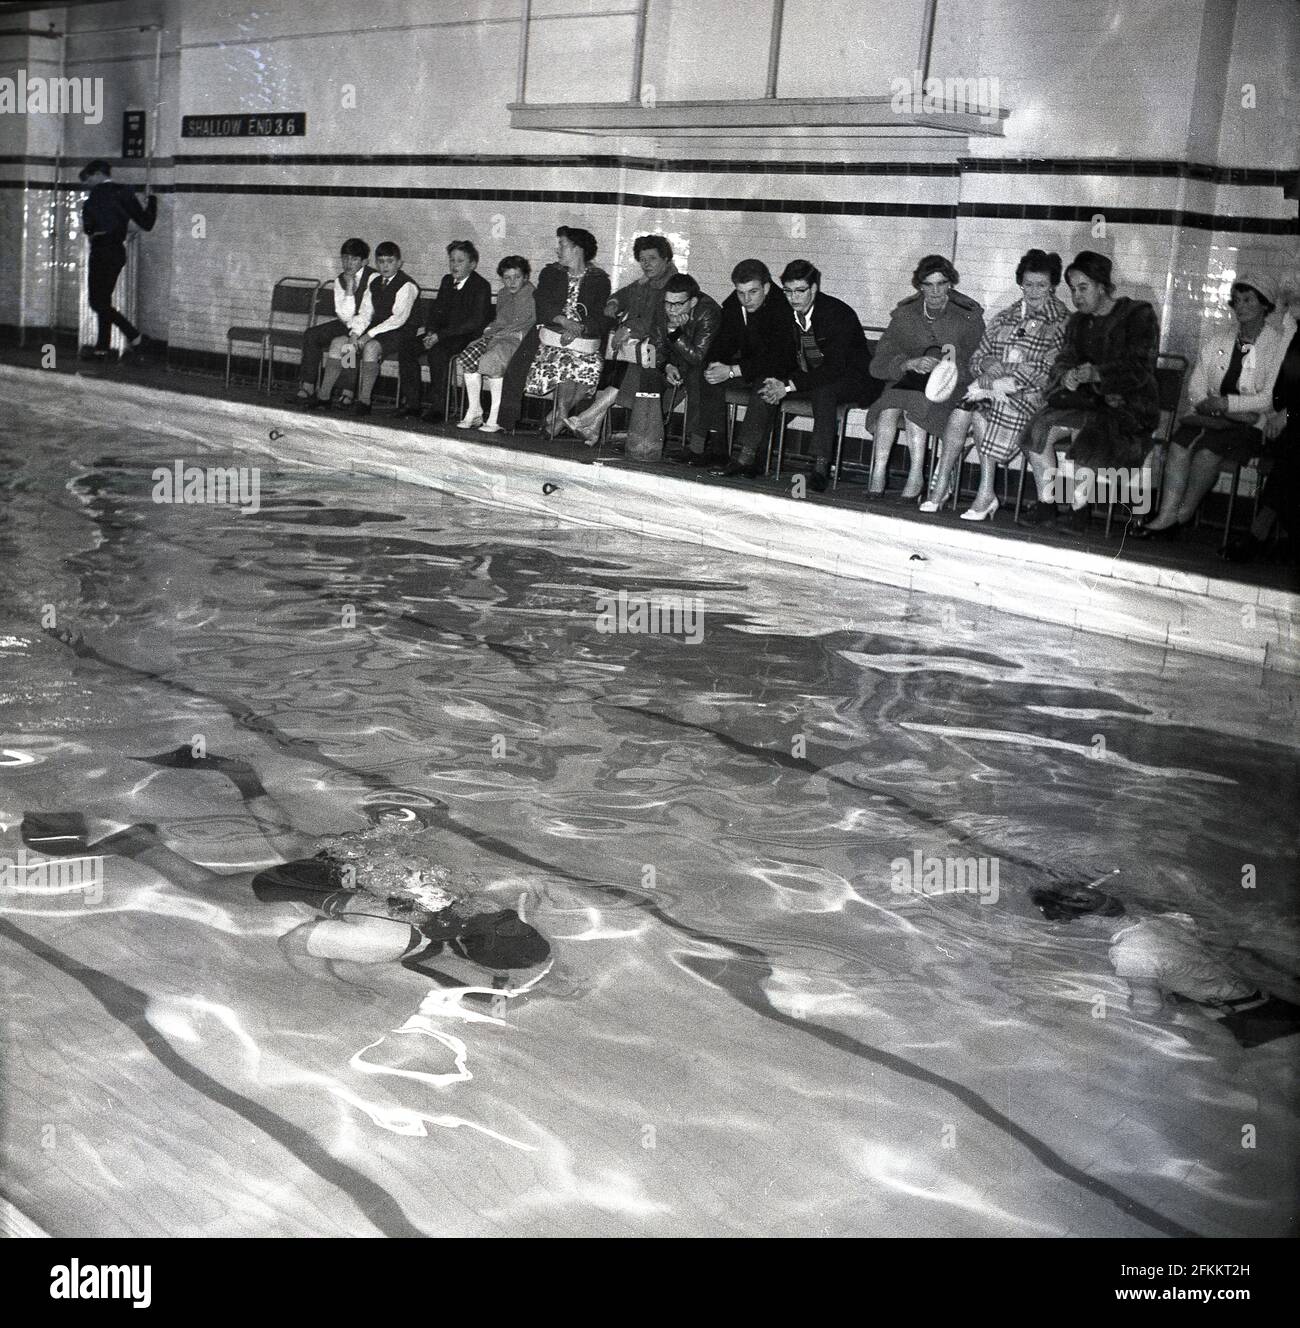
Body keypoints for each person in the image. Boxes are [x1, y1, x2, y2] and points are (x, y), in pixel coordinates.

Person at [1029, 883, 1300, 1048]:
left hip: (1248, 1018)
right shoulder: (1167, 919)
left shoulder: (1130, 954)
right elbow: (1205, 954)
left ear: (1089, 921)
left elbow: (1150, 1008)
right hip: (1261, 996)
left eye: (1067, 922)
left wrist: (1116, 1016)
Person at [1135, 274, 1288, 541]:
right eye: (1237, 300)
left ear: (1265, 305)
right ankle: (1166, 514)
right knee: (1179, 445)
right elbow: (1197, 385)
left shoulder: (1276, 345)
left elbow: (1269, 398)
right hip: (1212, 418)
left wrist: (1226, 404)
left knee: (1207, 453)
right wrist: (1212, 406)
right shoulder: (1219, 340)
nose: (1240, 306)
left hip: (1251, 424)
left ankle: (1182, 515)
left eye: (1248, 300)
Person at [921, 250, 1069, 520]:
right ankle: (965, 488)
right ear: (1020, 283)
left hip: (1034, 397)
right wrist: (986, 365)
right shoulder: (1006, 315)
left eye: (1041, 285)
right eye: (1028, 284)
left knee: (975, 410)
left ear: (1053, 286)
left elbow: (1048, 370)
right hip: (993, 392)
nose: (1033, 291)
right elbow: (977, 358)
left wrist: (1000, 376)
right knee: (969, 411)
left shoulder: (1061, 322)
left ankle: (959, 490)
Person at [1020, 251, 1160, 530]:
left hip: (1127, 405)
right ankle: (1047, 505)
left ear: (1102, 286)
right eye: (1073, 290)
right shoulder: (1078, 322)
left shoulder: (1137, 315)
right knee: (1036, 432)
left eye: (1083, 288)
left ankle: (1079, 511)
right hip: (1084, 401)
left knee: (1088, 432)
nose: (1077, 296)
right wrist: (1067, 375)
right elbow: (1062, 361)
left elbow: (1141, 368)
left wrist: (1098, 374)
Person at [866, 255, 985, 499]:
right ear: (919, 286)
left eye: (941, 283)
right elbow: (880, 360)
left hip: (949, 387)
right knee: (888, 408)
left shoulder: (967, 316)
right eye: (928, 285)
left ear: (951, 284)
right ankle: (878, 472)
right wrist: (908, 363)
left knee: (915, 408)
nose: (935, 291)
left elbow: (978, 362)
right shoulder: (905, 314)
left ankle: (916, 474)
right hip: (908, 380)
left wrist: (946, 369)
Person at [752, 260, 876, 492]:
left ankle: (819, 469)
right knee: (766, 382)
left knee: (824, 390)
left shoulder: (837, 313)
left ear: (814, 289)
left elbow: (834, 368)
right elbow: (781, 355)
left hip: (852, 378)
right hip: (812, 374)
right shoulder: (785, 313)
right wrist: (777, 382)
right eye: (788, 291)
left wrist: (788, 387)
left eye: (800, 291)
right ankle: (752, 458)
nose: (793, 298)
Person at [559, 235, 678, 444]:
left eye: (652, 259)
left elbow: (657, 322)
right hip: (638, 350)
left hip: (661, 356)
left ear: (666, 259)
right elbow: (623, 294)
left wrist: (629, 330)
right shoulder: (645, 282)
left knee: (622, 371)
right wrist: (614, 303)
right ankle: (593, 429)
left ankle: (584, 419)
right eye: (642, 259)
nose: (646, 264)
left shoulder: (673, 287)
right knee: (613, 368)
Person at [499, 227, 610, 434]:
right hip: (548, 335)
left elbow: (601, 315)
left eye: (562, 244)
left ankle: (557, 418)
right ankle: (558, 420)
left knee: (588, 366)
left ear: (578, 249)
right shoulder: (551, 273)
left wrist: (581, 327)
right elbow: (541, 302)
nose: (557, 249)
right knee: (566, 362)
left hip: (582, 339)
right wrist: (564, 322)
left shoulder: (600, 279)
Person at [1225, 291, 1300, 563]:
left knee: (1292, 456)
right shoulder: (1292, 331)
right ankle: (1284, 537)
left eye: (1293, 304)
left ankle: (1258, 533)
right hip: (1285, 426)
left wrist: (1286, 416)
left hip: (1291, 426)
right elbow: (1277, 385)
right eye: (1289, 304)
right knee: (1291, 456)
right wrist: (1275, 415)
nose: (1289, 310)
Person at [705, 259, 797, 479]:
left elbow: (777, 359)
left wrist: (732, 371)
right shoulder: (734, 304)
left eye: (753, 292)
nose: (746, 300)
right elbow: (722, 342)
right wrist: (715, 364)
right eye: (741, 293)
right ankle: (716, 447)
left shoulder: (783, 307)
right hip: (748, 367)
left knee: (766, 382)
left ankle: (745, 457)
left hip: (784, 373)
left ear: (766, 287)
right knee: (708, 373)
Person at [315, 240, 418, 417]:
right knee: (341, 344)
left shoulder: (407, 285)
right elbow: (364, 312)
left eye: (390, 261)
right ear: (376, 263)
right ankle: (325, 397)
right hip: (377, 329)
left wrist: (368, 335)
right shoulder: (375, 282)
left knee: (370, 347)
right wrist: (355, 334)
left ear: (399, 263)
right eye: (381, 262)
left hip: (400, 332)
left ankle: (364, 401)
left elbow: (398, 319)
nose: (385, 266)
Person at [400, 240, 494, 422]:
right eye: (452, 260)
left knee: (438, 352)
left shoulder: (481, 286)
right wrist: (430, 332)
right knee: (407, 347)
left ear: (472, 264)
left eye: (460, 261)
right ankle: (412, 405)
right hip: (439, 335)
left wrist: (439, 336)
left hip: (464, 336)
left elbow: (474, 322)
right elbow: (436, 310)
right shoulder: (446, 281)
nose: (454, 265)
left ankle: (438, 408)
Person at [78, 159, 157, 360]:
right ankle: (102, 348)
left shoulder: (93, 199)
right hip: (116, 252)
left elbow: (89, 229)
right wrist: (153, 202)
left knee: (97, 302)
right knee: (102, 300)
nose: (86, 185)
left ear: (96, 174)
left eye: (87, 179)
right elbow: (146, 224)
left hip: (100, 251)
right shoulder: (124, 192)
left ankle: (135, 336)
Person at [453, 256, 536, 433]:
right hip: (497, 336)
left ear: (526, 277)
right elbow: (500, 320)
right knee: (468, 356)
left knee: (492, 361)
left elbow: (527, 324)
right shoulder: (503, 294)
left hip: (517, 340)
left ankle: (496, 416)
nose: (512, 282)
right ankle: (474, 410)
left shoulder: (532, 294)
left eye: (517, 277)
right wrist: (490, 328)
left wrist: (500, 333)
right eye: (507, 278)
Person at [292, 237, 377, 408]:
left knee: (347, 346)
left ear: (364, 261)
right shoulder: (340, 280)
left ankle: (348, 389)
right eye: (345, 258)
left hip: (369, 325)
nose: (348, 263)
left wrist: (355, 329)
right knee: (312, 334)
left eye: (353, 259)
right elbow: (344, 314)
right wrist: (349, 287)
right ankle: (308, 384)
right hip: (347, 322)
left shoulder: (374, 278)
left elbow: (370, 312)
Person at [656, 274, 725, 463]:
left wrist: (675, 332)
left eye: (678, 304)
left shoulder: (708, 313)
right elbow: (658, 344)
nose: (671, 309)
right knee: (647, 370)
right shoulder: (664, 307)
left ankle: (696, 447)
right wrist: (665, 366)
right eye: (668, 303)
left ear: (693, 301)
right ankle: (645, 436)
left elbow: (697, 356)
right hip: (676, 362)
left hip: (704, 365)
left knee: (698, 376)